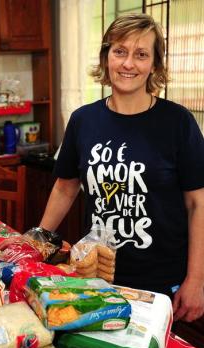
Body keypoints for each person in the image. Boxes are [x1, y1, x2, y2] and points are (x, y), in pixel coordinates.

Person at [40, 13, 204, 323]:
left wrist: (197, 280)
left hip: (160, 280)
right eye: (119, 51)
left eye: (141, 54)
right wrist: (37, 240)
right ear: (106, 57)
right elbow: (65, 186)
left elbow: (199, 203)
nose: (128, 63)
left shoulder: (177, 122)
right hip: (96, 274)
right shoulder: (83, 120)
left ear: (154, 65)